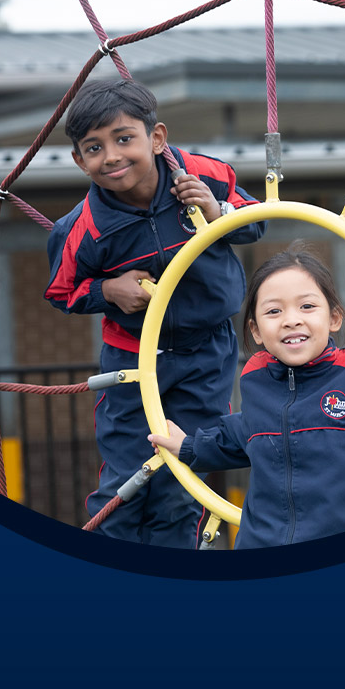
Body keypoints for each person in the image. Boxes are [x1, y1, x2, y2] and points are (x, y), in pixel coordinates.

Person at [44, 79, 266, 547]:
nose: (111, 156)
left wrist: (218, 208)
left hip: (206, 352)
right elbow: (62, 291)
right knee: (129, 474)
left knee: (181, 472)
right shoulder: (83, 229)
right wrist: (110, 289)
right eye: (94, 147)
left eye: (124, 139)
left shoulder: (202, 173)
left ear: (156, 138)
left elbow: (256, 221)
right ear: (79, 161)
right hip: (132, 357)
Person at [149, 240, 345, 549]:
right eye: (274, 310)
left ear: (334, 318)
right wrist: (188, 446)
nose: (291, 319)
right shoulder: (256, 377)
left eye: (307, 306)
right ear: (255, 330)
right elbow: (244, 434)